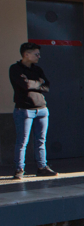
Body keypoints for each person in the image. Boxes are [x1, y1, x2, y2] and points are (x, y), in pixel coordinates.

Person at [9, 43, 57, 179]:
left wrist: (34, 84)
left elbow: (47, 86)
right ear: (26, 54)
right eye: (36, 54)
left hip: (42, 109)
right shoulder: (15, 69)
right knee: (22, 141)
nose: (39, 57)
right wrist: (38, 83)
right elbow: (24, 85)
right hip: (24, 110)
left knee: (41, 140)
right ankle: (19, 169)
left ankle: (42, 167)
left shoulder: (38, 69)